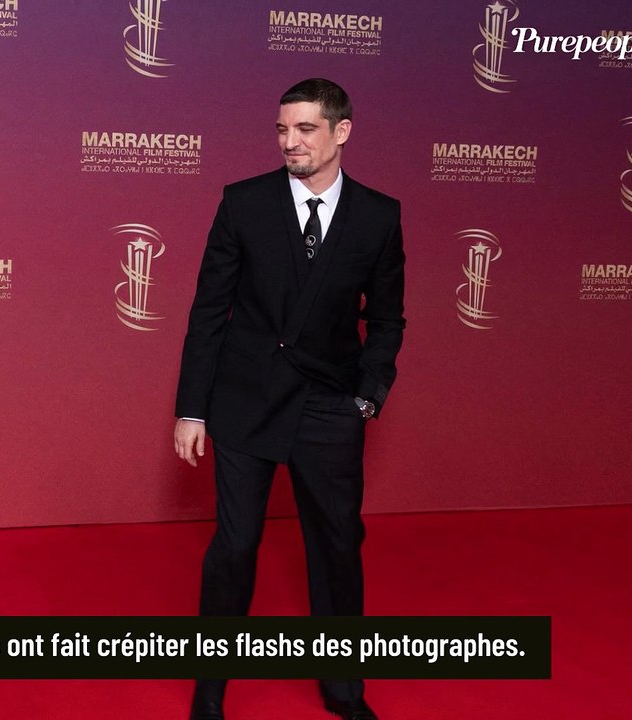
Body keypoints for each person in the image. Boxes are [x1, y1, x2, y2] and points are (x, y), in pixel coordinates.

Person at [174, 78, 405, 720]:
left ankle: (342, 689)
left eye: (304, 129)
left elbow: (387, 320)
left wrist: (368, 394)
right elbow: (208, 311)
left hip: (331, 405)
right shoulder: (243, 203)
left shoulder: (379, 216)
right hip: (247, 400)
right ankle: (210, 688)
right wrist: (192, 409)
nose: (289, 142)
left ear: (342, 132)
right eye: (282, 129)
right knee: (237, 545)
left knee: (336, 545)